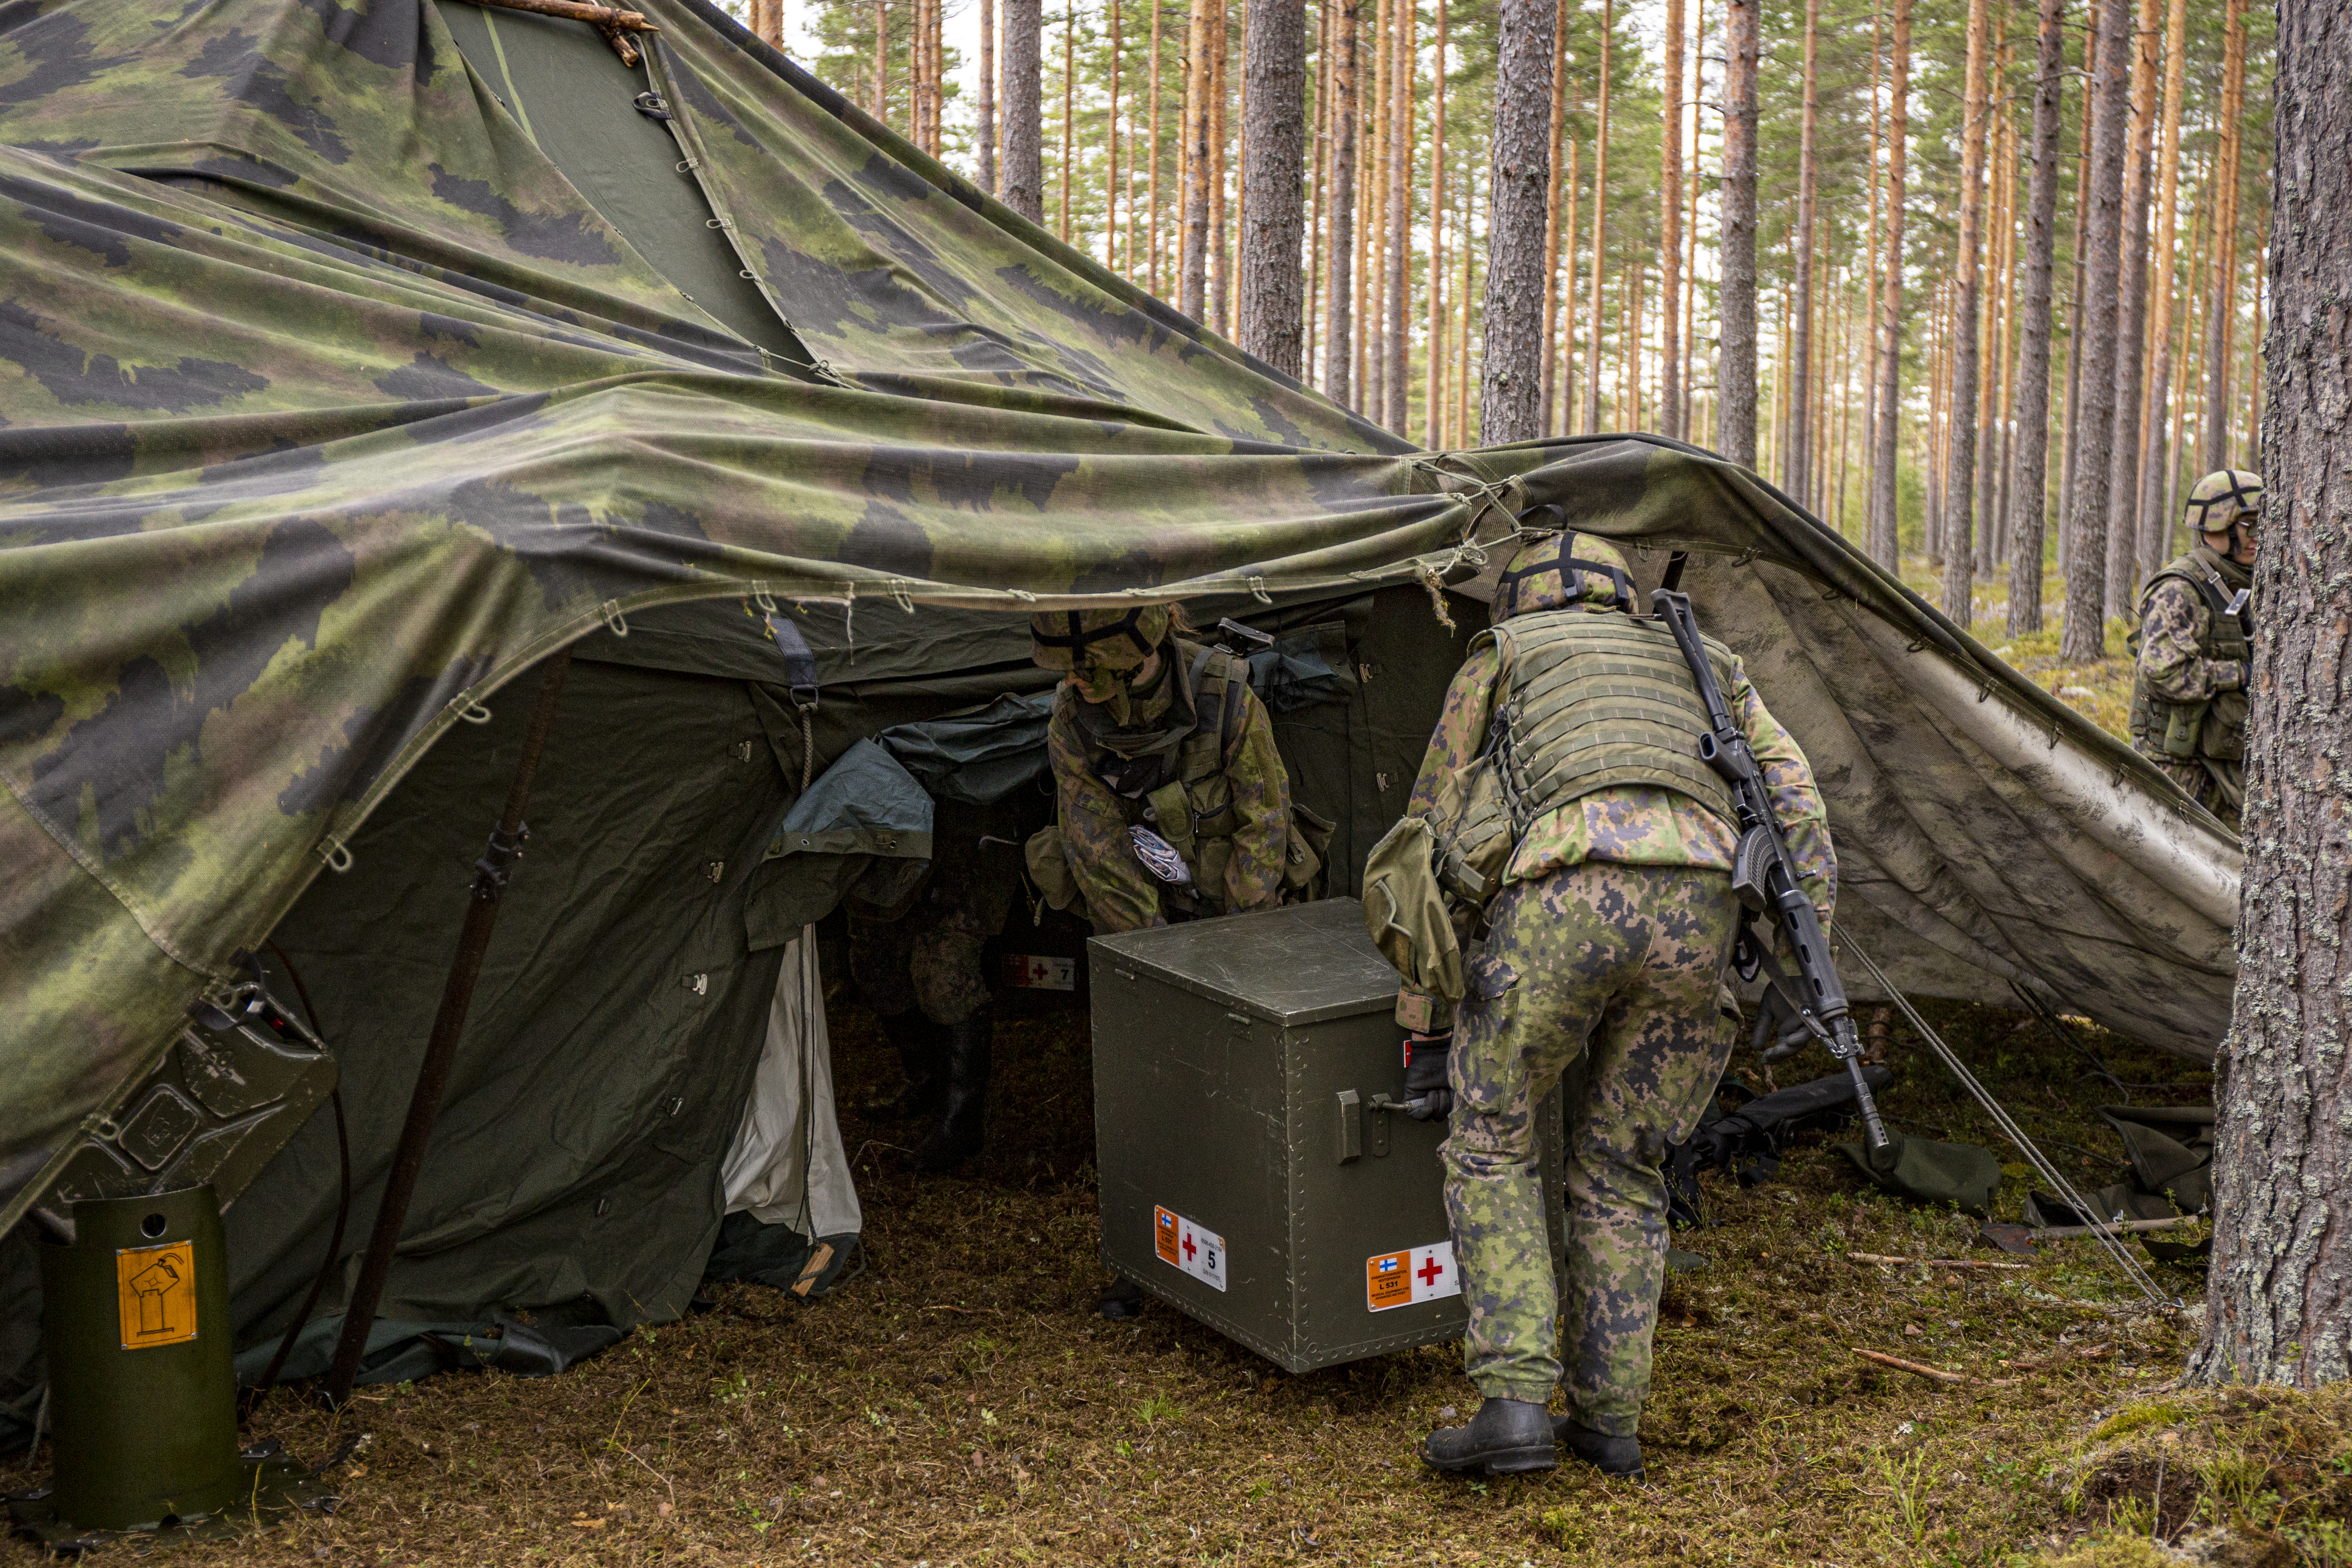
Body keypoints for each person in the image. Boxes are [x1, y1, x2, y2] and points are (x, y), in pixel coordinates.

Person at [1393, 532, 1833, 1481]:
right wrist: (1800, 959)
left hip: (1562, 900)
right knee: (1625, 1165)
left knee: (1491, 1141)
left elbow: (1427, 841)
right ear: (1617, 596)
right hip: (1702, 910)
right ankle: (1609, 1419)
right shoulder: (1703, 659)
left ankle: (1514, 1401)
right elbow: (1796, 802)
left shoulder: (1501, 655)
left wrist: (1422, 1021)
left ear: (1518, 602)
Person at [1025, 606, 1303, 932]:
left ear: (1131, 658)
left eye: (1086, 669)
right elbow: (1100, 855)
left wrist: (1239, 937)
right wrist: (1155, 951)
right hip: (1144, 917)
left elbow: (1265, 821)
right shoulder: (1072, 726)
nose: (1070, 680)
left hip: (1236, 909)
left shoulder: (1225, 694)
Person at [847, 800, 1020, 1172]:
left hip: (977, 823)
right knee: (875, 959)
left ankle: (960, 1125)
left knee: (943, 971)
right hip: (903, 822)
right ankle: (925, 1078)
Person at [2129, 469, 2260, 833]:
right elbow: (2161, 672)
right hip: (2177, 770)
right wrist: (2240, 674)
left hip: (2225, 762)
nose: (2257, 536)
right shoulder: (2180, 589)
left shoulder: (2245, 581)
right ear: (2217, 527)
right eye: (2249, 525)